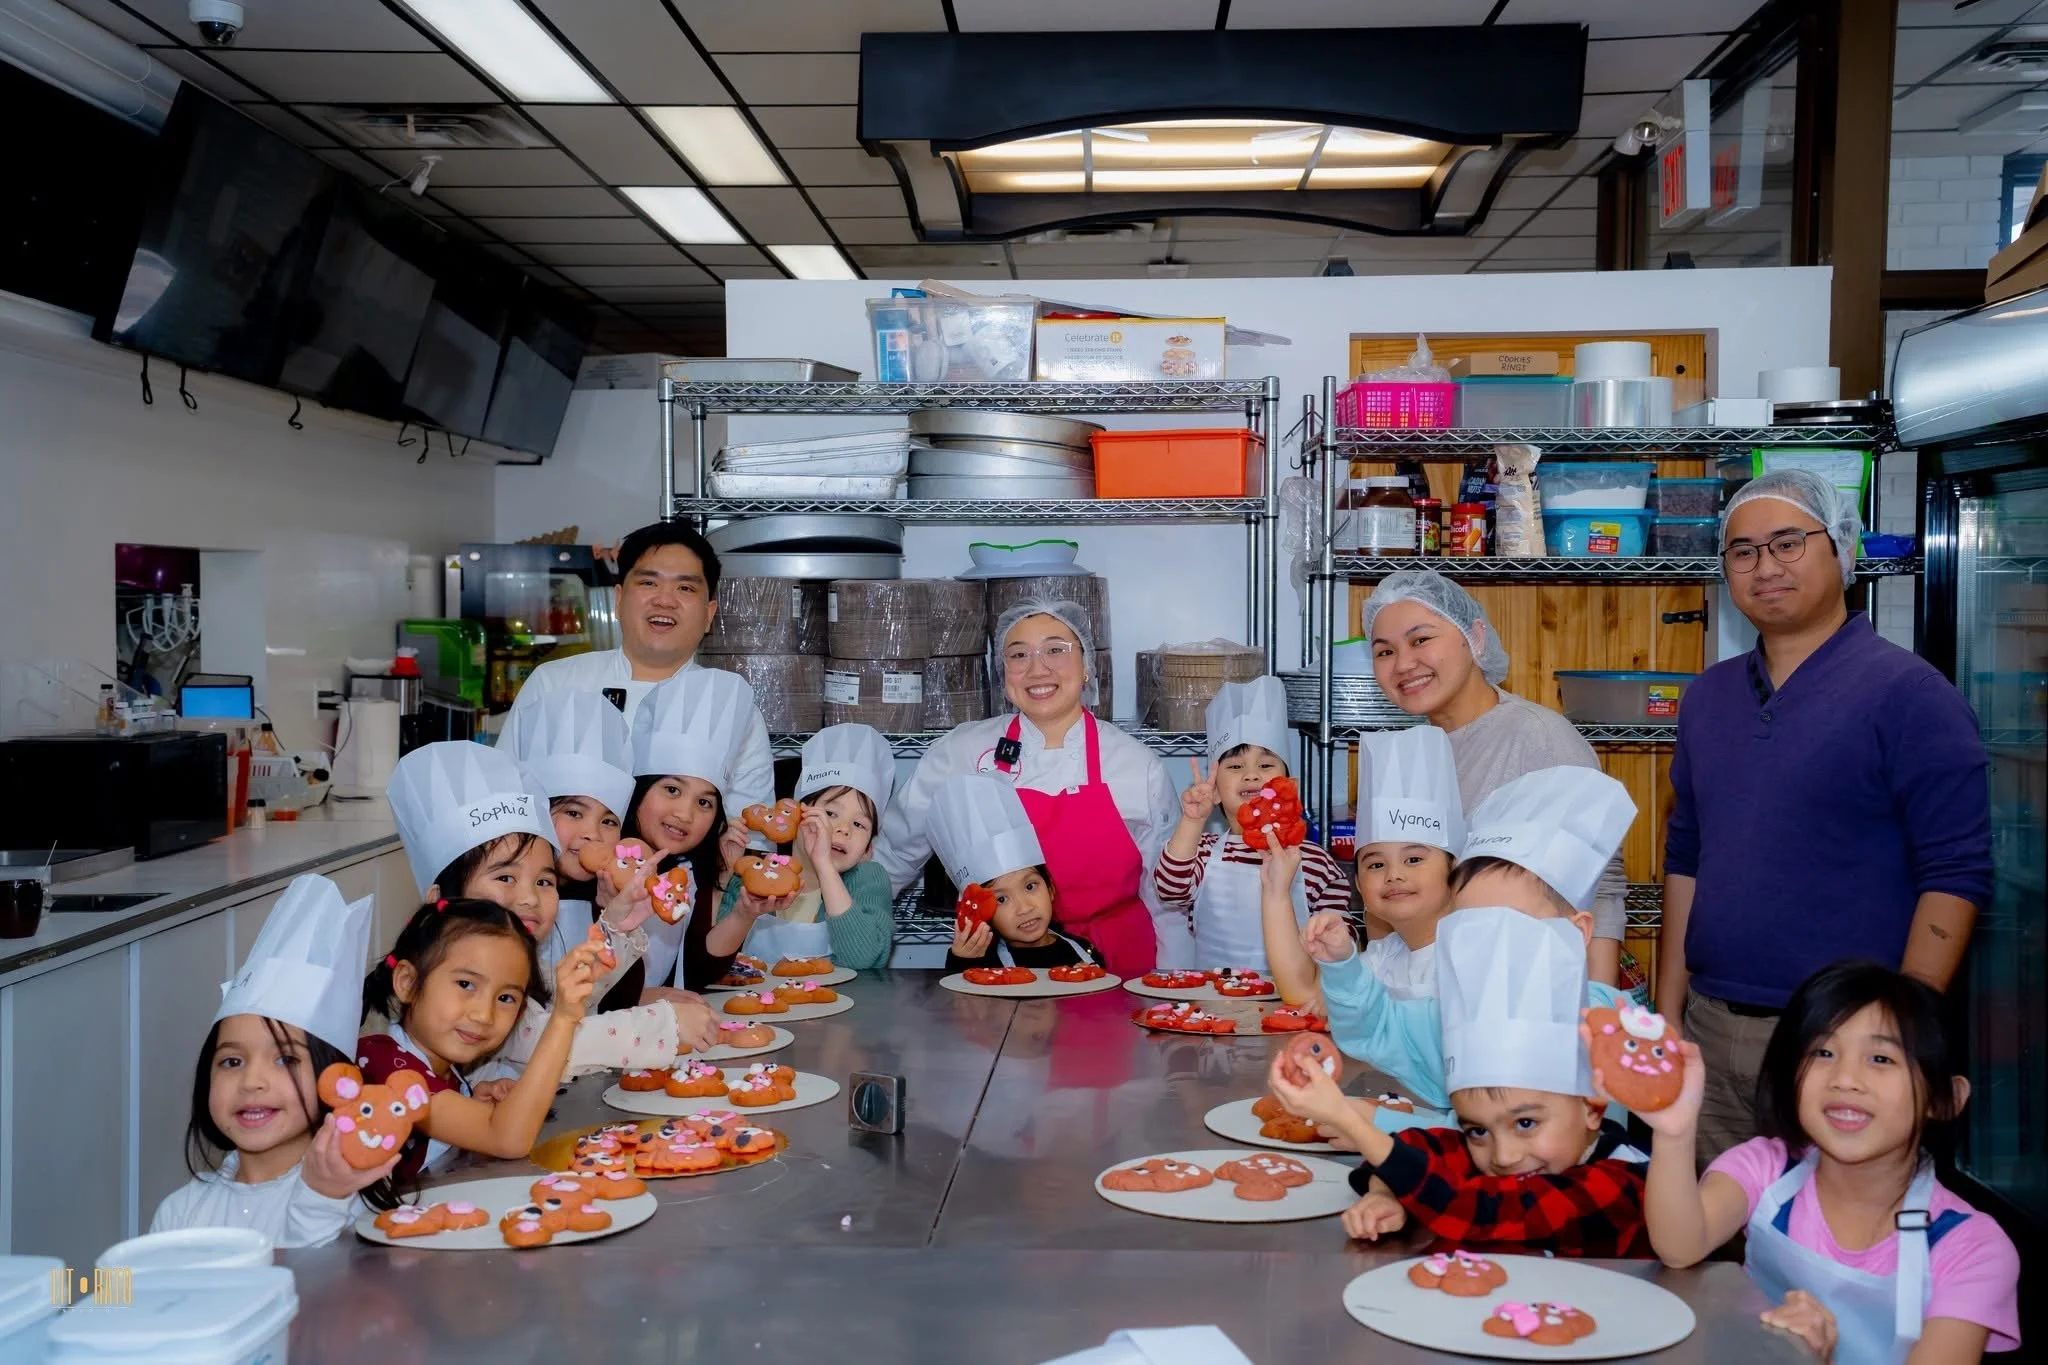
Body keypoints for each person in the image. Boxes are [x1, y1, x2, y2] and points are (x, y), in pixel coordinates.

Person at [1658, 469, 1992, 1165]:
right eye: (1743, 551)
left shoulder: (1911, 695)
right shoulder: (1707, 699)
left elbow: (1955, 874)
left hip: (1842, 1044)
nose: (1764, 567)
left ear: (1841, 549)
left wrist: (1897, 1038)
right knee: (1708, 1229)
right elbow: (1686, 858)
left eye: (1787, 543)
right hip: (1711, 1032)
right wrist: (1668, 1018)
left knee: (1834, 1228)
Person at [1633, 961, 2020, 1360]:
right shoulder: (1766, 1167)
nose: (1844, 1079)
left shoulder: (1973, 1248)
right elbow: (1680, 1246)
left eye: (1881, 1059)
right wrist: (1674, 1132)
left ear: (1945, 1099)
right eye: (1823, 1052)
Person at [1272, 902, 1649, 1258]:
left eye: (1526, 1123)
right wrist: (1386, 1194)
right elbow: (1418, 1147)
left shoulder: (1619, 1183)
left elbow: (1478, 1212)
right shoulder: (1506, 1149)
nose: (1503, 1156)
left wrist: (1348, 1119)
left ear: (1592, 1107)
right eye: (1477, 1130)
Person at [877, 596, 1179, 977]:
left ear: (1086, 665)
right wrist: (849, 928)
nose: (1038, 669)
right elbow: (893, 857)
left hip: (1117, 970)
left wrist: (1174, 983)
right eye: (1019, 655)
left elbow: (1167, 901)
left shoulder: (1136, 766)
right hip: (1006, 972)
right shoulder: (962, 752)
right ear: (1004, 674)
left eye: (1056, 650)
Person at [1308, 765, 1637, 1111]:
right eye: (1469, 924)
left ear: (1576, 931)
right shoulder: (1450, 1013)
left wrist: (1379, 1125)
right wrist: (1342, 965)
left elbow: (1535, 1134)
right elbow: (1373, 1030)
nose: (1488, 942)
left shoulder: (1608, 1030)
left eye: (1509, 923)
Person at [385, 741, 716, 1080]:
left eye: (544, 882)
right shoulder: (457, 978)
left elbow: (566, 996)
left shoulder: (519, 966)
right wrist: (664, 1025)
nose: (529, 897)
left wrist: (616, 927)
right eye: (505, 877)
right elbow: (542, 1039)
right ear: (439, 898)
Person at [1364, 569, 1627, 985]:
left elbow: (1600, 887)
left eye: (1421, 640)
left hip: (1525, 993)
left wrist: (1595, 1009)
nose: (1403, 664)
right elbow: (1382, 901)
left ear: (1476, 638)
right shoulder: (1405, 753)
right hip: (1430, 999)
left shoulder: (1538, 737)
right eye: (1384, 651)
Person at [153, 875, 395, 1246]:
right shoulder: (180, 1214)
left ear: (337, 1083)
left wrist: (323, 1198)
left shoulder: (353, 1200)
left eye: (284, 1059)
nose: (252, 1081)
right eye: (232, 1062)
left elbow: (318, 1278)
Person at [508, 521, 773, 823]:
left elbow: (752, 829)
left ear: (709, 614)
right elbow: (507, 802)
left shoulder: (731, 706)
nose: (665, 600)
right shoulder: (553, 683)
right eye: (649, 583)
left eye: (685, 588)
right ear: (619, 600)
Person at [357, 897, 608, 1194]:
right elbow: (507, 1139)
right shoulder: (386, 1066)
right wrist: (563, 1019)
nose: (483, 1015)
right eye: (465, 984)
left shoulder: (441, 1068)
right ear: (408, 982)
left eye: (505, 998)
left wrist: (471, 1104)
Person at [1154, 676, 1350, 971]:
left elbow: (1340, 939)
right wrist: (1192, 821)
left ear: (1290, 787)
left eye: (1266, 765)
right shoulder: (1203, 852)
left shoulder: (1314, 860)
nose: (1251, 775)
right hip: (1212, 996)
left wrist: (1332, 943)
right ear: (1216, 791)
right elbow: (1169, 890)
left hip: (1291, 996)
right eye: (1235, 766)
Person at [1263, 723, 1462, 1010]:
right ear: (1357, 884)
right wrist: (1277, 891)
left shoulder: (1471, 957)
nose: (1394, 875)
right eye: (1376, 864)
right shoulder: (1382, 959)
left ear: (1455, 869)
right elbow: (1305, 997)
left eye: (1414, 859)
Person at [628, 665, 784, 991]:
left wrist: (742, 910)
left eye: (704, 802)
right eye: (672, 790)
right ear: (640, 790)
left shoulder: (689, 870)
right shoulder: (611, 864)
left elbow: (698, 969)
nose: (685, 814)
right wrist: (639, 999)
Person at [497, 690, 653, 1009]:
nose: (592, 834)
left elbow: (619, 1000)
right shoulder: (512, 900)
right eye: (573, 813)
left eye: (608, 821)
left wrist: (613, 916)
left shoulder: (602, 896)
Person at [712, 724, 898, 970]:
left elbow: (864, 958)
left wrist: (824, 867)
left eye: (859, 824)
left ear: (867, 850)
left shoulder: (867, 880)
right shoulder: (753, 874)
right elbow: (709, 958)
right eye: (830, 813)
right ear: (793, 817)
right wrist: (724, 875)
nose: (843, 829)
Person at [933, 772, 1103, 972]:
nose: (1024, 908)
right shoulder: (982, 961)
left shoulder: (1083, 951)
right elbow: (958, 990)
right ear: (983, 914)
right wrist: (962, 961)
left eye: (1030, 887)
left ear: (1050, 888)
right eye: (1001, 899)